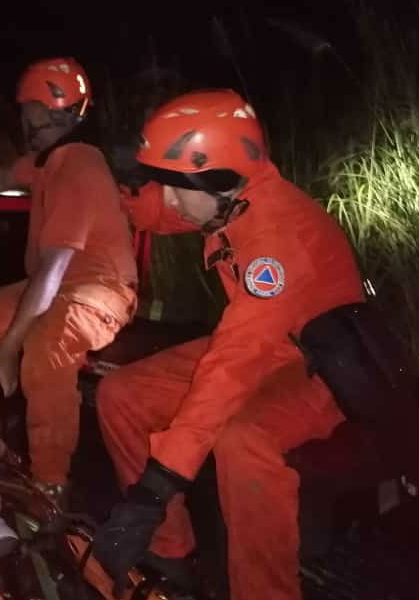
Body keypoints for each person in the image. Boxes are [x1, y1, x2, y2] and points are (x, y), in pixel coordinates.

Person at [92, 89, 365, 600]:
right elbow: (160, 208)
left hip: (317, 367)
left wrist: (156, 485)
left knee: (243, 441)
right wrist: (106, 186)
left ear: (216, 179)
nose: (169, 198)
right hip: (261, 343)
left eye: (177, 186)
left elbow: (232, 368)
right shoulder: (227, 198)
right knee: (121, 396)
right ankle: (171, 555)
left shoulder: (278, 241)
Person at [0, 57, 138, 503]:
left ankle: (51, 482)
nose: (31, 119)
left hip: (100, 290)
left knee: (46, 344)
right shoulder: (48, 161)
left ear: (38, 111)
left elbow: (52, 269)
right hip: (60, 286)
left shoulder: (79, 164)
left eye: (33, 110)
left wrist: (10, 347)